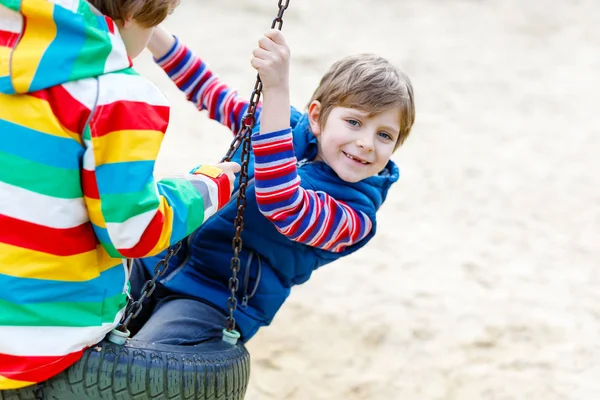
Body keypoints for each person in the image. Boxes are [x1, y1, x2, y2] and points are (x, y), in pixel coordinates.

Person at [0, 0, 238, 389]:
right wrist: (211, 185)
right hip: (43, 344)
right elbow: (134, 231)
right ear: (135, 10)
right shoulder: (115, 95)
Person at [127, 25, 415, 346]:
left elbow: (282, 202)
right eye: (354, 122)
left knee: (146, 357)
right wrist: (147, 27)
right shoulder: (278, 123)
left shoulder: (354, 218)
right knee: (89, 316)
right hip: (158, 256)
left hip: (213, 301)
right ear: (317, 118)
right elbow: (208, 91)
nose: (366, 143)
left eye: (385, 135)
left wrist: (277, 90)